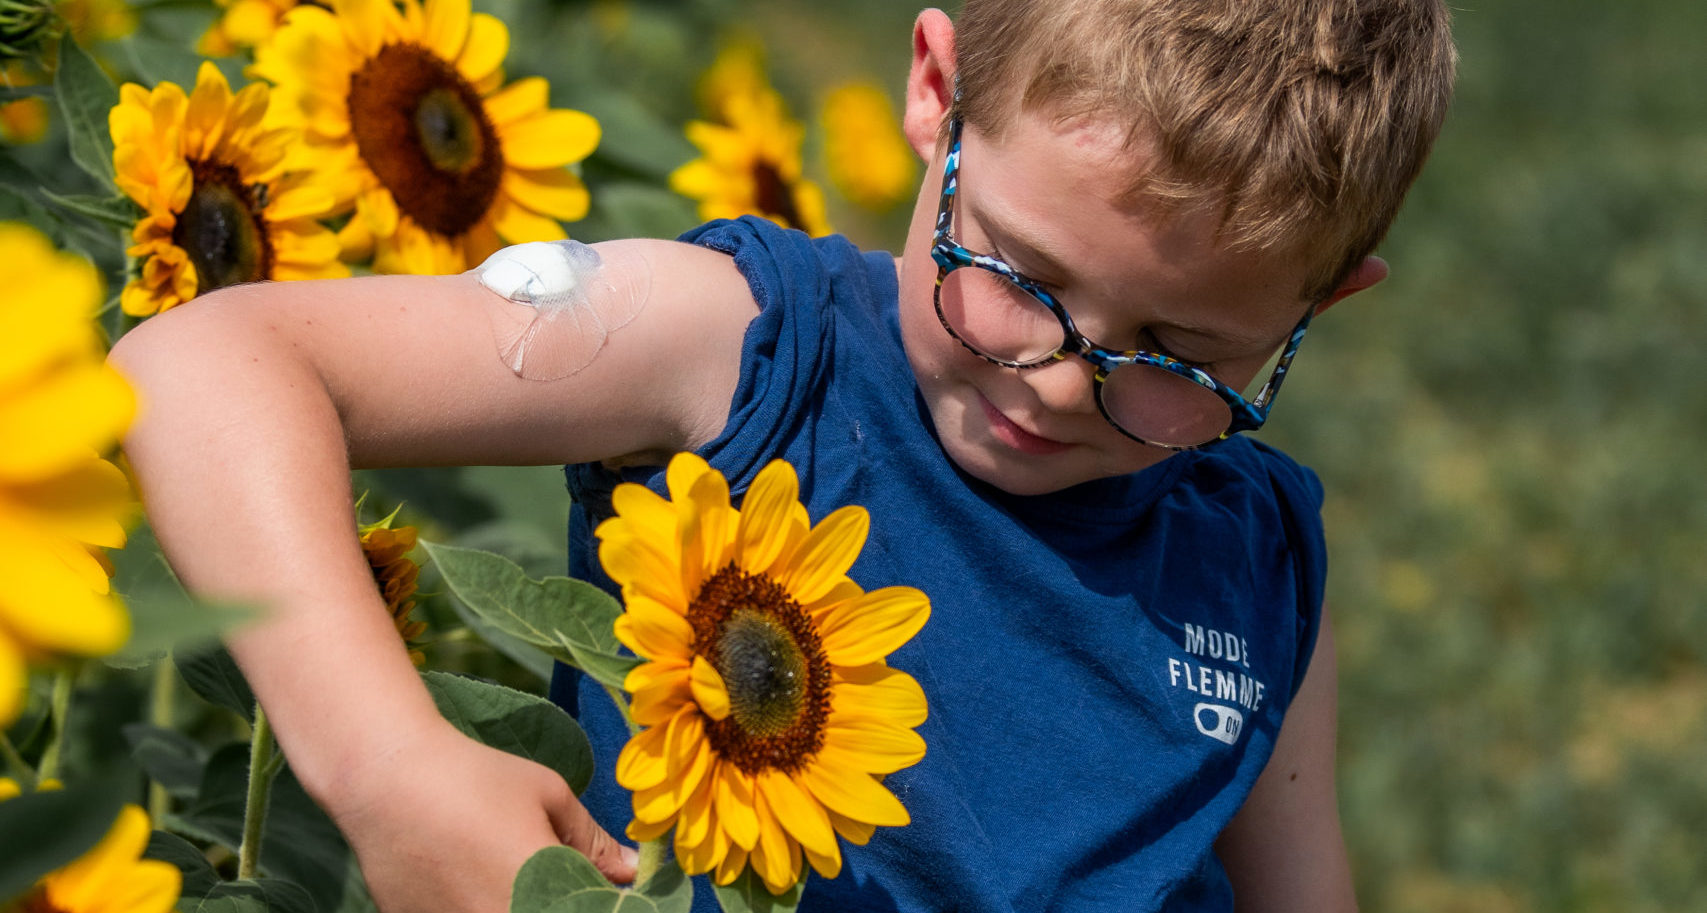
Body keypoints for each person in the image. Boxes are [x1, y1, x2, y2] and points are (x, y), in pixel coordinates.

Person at [111, 0, 1456, 910]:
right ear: (938, 94)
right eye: (1021, 274)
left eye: (1179, 354)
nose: (1059, 381)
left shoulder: (1257, 566)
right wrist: (389, 766)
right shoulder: (752, 346)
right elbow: (202, 366)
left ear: (1322, 303)